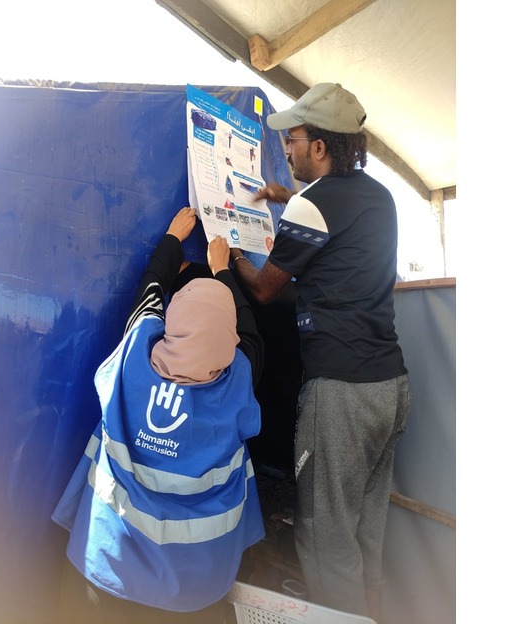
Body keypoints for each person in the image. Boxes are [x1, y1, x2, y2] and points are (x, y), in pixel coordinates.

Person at [227, 83, 411, 621]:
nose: (286, 150)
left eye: (295, 139)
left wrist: (232, 250)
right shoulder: (379, 196)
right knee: (364, 536)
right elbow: (336, 222)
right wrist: (289, 198)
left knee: (326, 542)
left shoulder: (314, 205)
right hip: (390, 388)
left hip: (342, 394)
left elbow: (263, 289)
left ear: (321, 147)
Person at [52, 207, 265, 623]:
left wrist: (171, 239)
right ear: (232, 337)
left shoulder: (133, 357)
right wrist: (223, 271)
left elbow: (148, 295)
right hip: (192, 591)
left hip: (103, 569)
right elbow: (252, 336)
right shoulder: (238, 380)